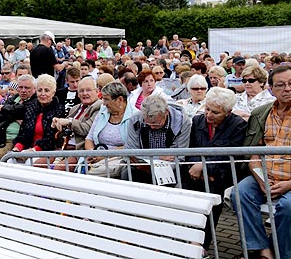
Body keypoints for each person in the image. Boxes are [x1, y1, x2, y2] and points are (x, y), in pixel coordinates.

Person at [231, 65, 291, 259]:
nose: (288, 89)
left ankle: (282, 252)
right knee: (239, 194)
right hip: (265, 175)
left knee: (287, 208)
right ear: (271, 89)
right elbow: (254, 151)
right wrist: (260, 179)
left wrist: (289, 185)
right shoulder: (261, 113)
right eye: (281, 85)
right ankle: (262, 249)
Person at [184, 87, 247, 255]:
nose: (209, 115)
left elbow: (232, 155)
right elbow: (190, 149)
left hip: (220, 176)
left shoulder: (238, 125)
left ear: (228, 112)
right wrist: (195, 167)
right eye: (207, 109)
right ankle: (185, 237)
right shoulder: (198, 121)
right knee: (186, 197)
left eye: (215, 112)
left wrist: (206, 168)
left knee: (211, 201)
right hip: (195, 173)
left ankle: (201, 244)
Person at [123, 95, 192, 184]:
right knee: (127, 174)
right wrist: (158, 158)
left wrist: (152, 165)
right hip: (141, 167)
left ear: (166, 113)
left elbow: (178, 157)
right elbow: (131, 153)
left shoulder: (182, 121)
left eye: (156, 123)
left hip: (171, 168)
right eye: (147, 123)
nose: (152, 127)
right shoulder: (135, 119)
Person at [47, 77, 103, 170]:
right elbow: (66, 130)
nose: (84, 93)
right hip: (64, 149)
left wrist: (69, 122)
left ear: (97, 91)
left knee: (56, 169)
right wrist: (57, 124)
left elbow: (86, 129)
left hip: (79, 151)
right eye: (81, 91)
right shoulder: (75, 108)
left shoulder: (99, 106)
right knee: (37, 164)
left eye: (88, 90)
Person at [84, 82, 137, 171]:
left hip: (120, 159)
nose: (103, 103)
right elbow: (89, 138)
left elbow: (132, 146)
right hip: (96, 157)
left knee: (94, 172)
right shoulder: (102, 111)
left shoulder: (135, 116)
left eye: (106, 99)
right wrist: (92, 153)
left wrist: (105, 155)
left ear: (120, 99)